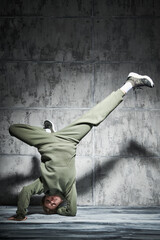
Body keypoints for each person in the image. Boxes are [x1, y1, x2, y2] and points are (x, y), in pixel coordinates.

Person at [8, 72, 154, 221]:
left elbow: (26, 191)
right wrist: (59, 212)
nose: (51, 201)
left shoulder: (42, 185)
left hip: (46, 143)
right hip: (69, 140)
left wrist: (20, 214)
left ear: (44, 197)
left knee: (13, 129)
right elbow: (72, 211)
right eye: (53, 205)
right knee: (95, 116)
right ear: (59, 204)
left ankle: (48, 133)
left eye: (47, 201)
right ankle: (131, 83)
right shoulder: (68, 189)